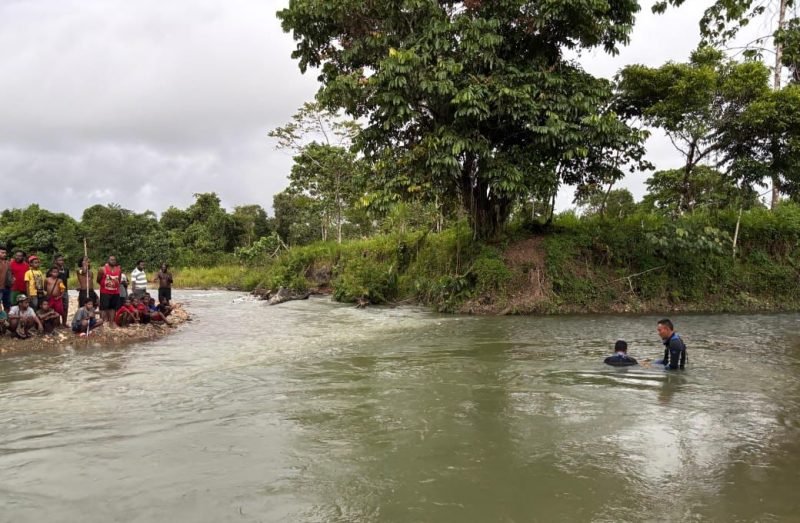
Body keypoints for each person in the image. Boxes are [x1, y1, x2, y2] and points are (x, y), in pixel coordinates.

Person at [97, 255, 122, 325]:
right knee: (103, 308)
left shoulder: (119, 269)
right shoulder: (102, 269)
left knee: (113, 308)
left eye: (114, 260)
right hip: (105, 292)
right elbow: (98, 280)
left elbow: (119, 280)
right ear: (108, 260)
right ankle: (102, 323)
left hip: (115, 292)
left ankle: (111, 322)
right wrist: (105, 285)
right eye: (111, 260)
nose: (113, 261)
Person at [54, 254, 70, 326]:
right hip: (56, 291)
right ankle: (57, 323)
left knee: (65, 307)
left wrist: (66, 290)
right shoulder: (53, 270)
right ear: (55, 261)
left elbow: (66, 280)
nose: (61, 261)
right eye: (59, 260)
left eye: (62, 260)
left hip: (65, 291)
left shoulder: (66, 269)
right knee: (56, 307)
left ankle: (64, 322)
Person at [0, 246, 11, 312]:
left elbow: (10, 274)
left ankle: (6, 320)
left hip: (7, 287)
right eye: (2, 252)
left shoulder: (7, 262)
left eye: (5, 253)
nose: (4, 254)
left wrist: (12, 280)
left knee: (7, 305)